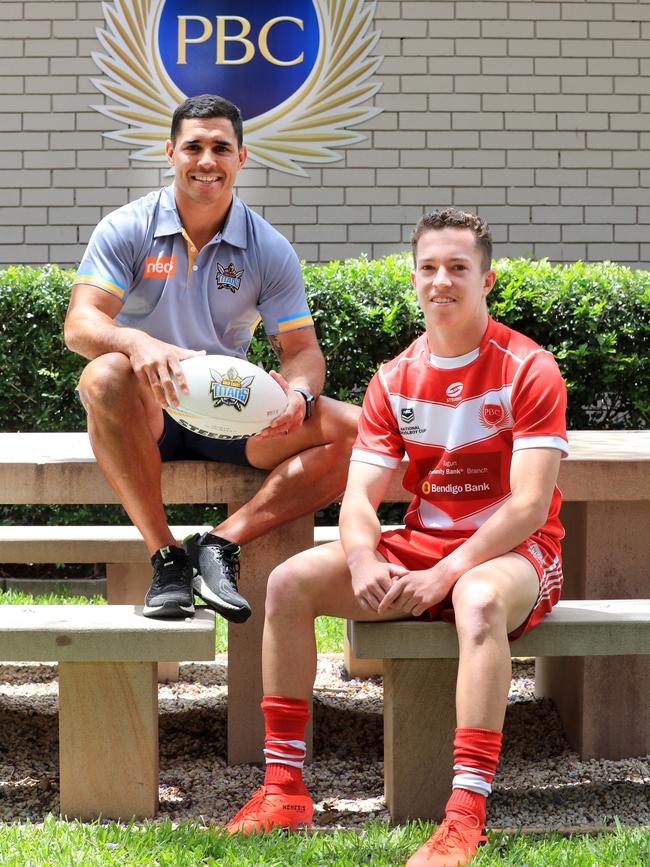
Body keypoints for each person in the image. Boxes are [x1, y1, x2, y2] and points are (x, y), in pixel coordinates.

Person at [226, 209, 568, 867]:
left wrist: (444, 574)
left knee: (477, 599)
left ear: (486, 279)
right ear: (414, 278)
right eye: (429, 267)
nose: (442, 280)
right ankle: (283, 788)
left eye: (458, 268)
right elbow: (359, 498)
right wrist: (360, 556)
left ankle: (465, 815)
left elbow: (528, 505)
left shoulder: (528, 367)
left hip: (516, 554)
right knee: (290, 582)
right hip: (424, 544)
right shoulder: (395, 379)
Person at [64, 93, 359, 622]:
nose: (206, 160)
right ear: (171, 152)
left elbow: (301, 351)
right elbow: (80, 325)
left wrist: (298, 393)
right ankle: (167, 558)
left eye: (220, 147)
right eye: (193, 146)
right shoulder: (127, 227)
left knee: (357, 430)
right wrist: (138, 343)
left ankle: (216, 545)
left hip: (229, 409)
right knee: (104, 374)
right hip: (147, 409)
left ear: (241, 157)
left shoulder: (267, 247)